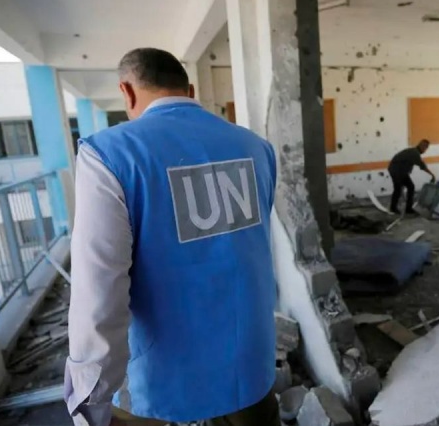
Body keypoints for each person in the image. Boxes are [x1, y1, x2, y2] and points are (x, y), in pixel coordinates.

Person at [64, 48, 280, 426]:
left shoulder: (108, 155)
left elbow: (98, 291)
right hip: (250, 365)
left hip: (165, 386)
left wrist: (89, 404)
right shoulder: (256, 147)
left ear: (126, 91)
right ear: (190, 90)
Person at [387, 139, 436, 214]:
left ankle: (406, 208)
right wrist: (432, 175)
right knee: (399, 189)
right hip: (397, 171)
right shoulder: (415, 153)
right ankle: (395, 208)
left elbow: (406, 164)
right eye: (425, 148)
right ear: (422, 146)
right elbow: (422, 166)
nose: (425, 150)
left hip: (399, 171)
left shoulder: (413, 151)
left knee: (409, 187)